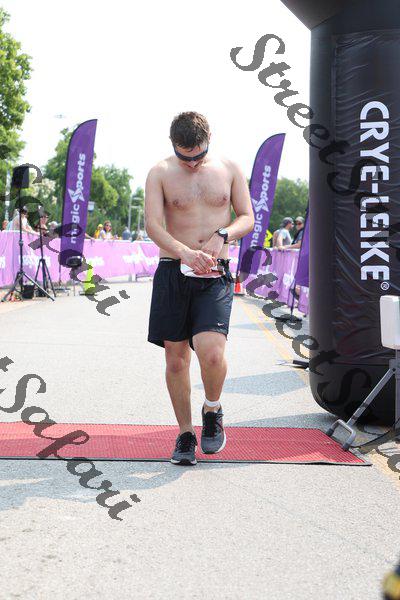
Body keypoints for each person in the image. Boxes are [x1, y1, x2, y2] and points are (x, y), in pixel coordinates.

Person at [145, 111, 254, 466]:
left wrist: (223, 235)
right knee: (176, 360)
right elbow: (153, 225)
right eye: (184, 157)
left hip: (214, 273)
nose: (191, 164)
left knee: (212, 354)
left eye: (198, 156)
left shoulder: (229, 168)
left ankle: (212, 409)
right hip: (173, 271)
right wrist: (185, 252)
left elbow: (247, 217)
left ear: (209, 140)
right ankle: (185, 433)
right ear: (173, 145)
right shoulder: (160, 172)